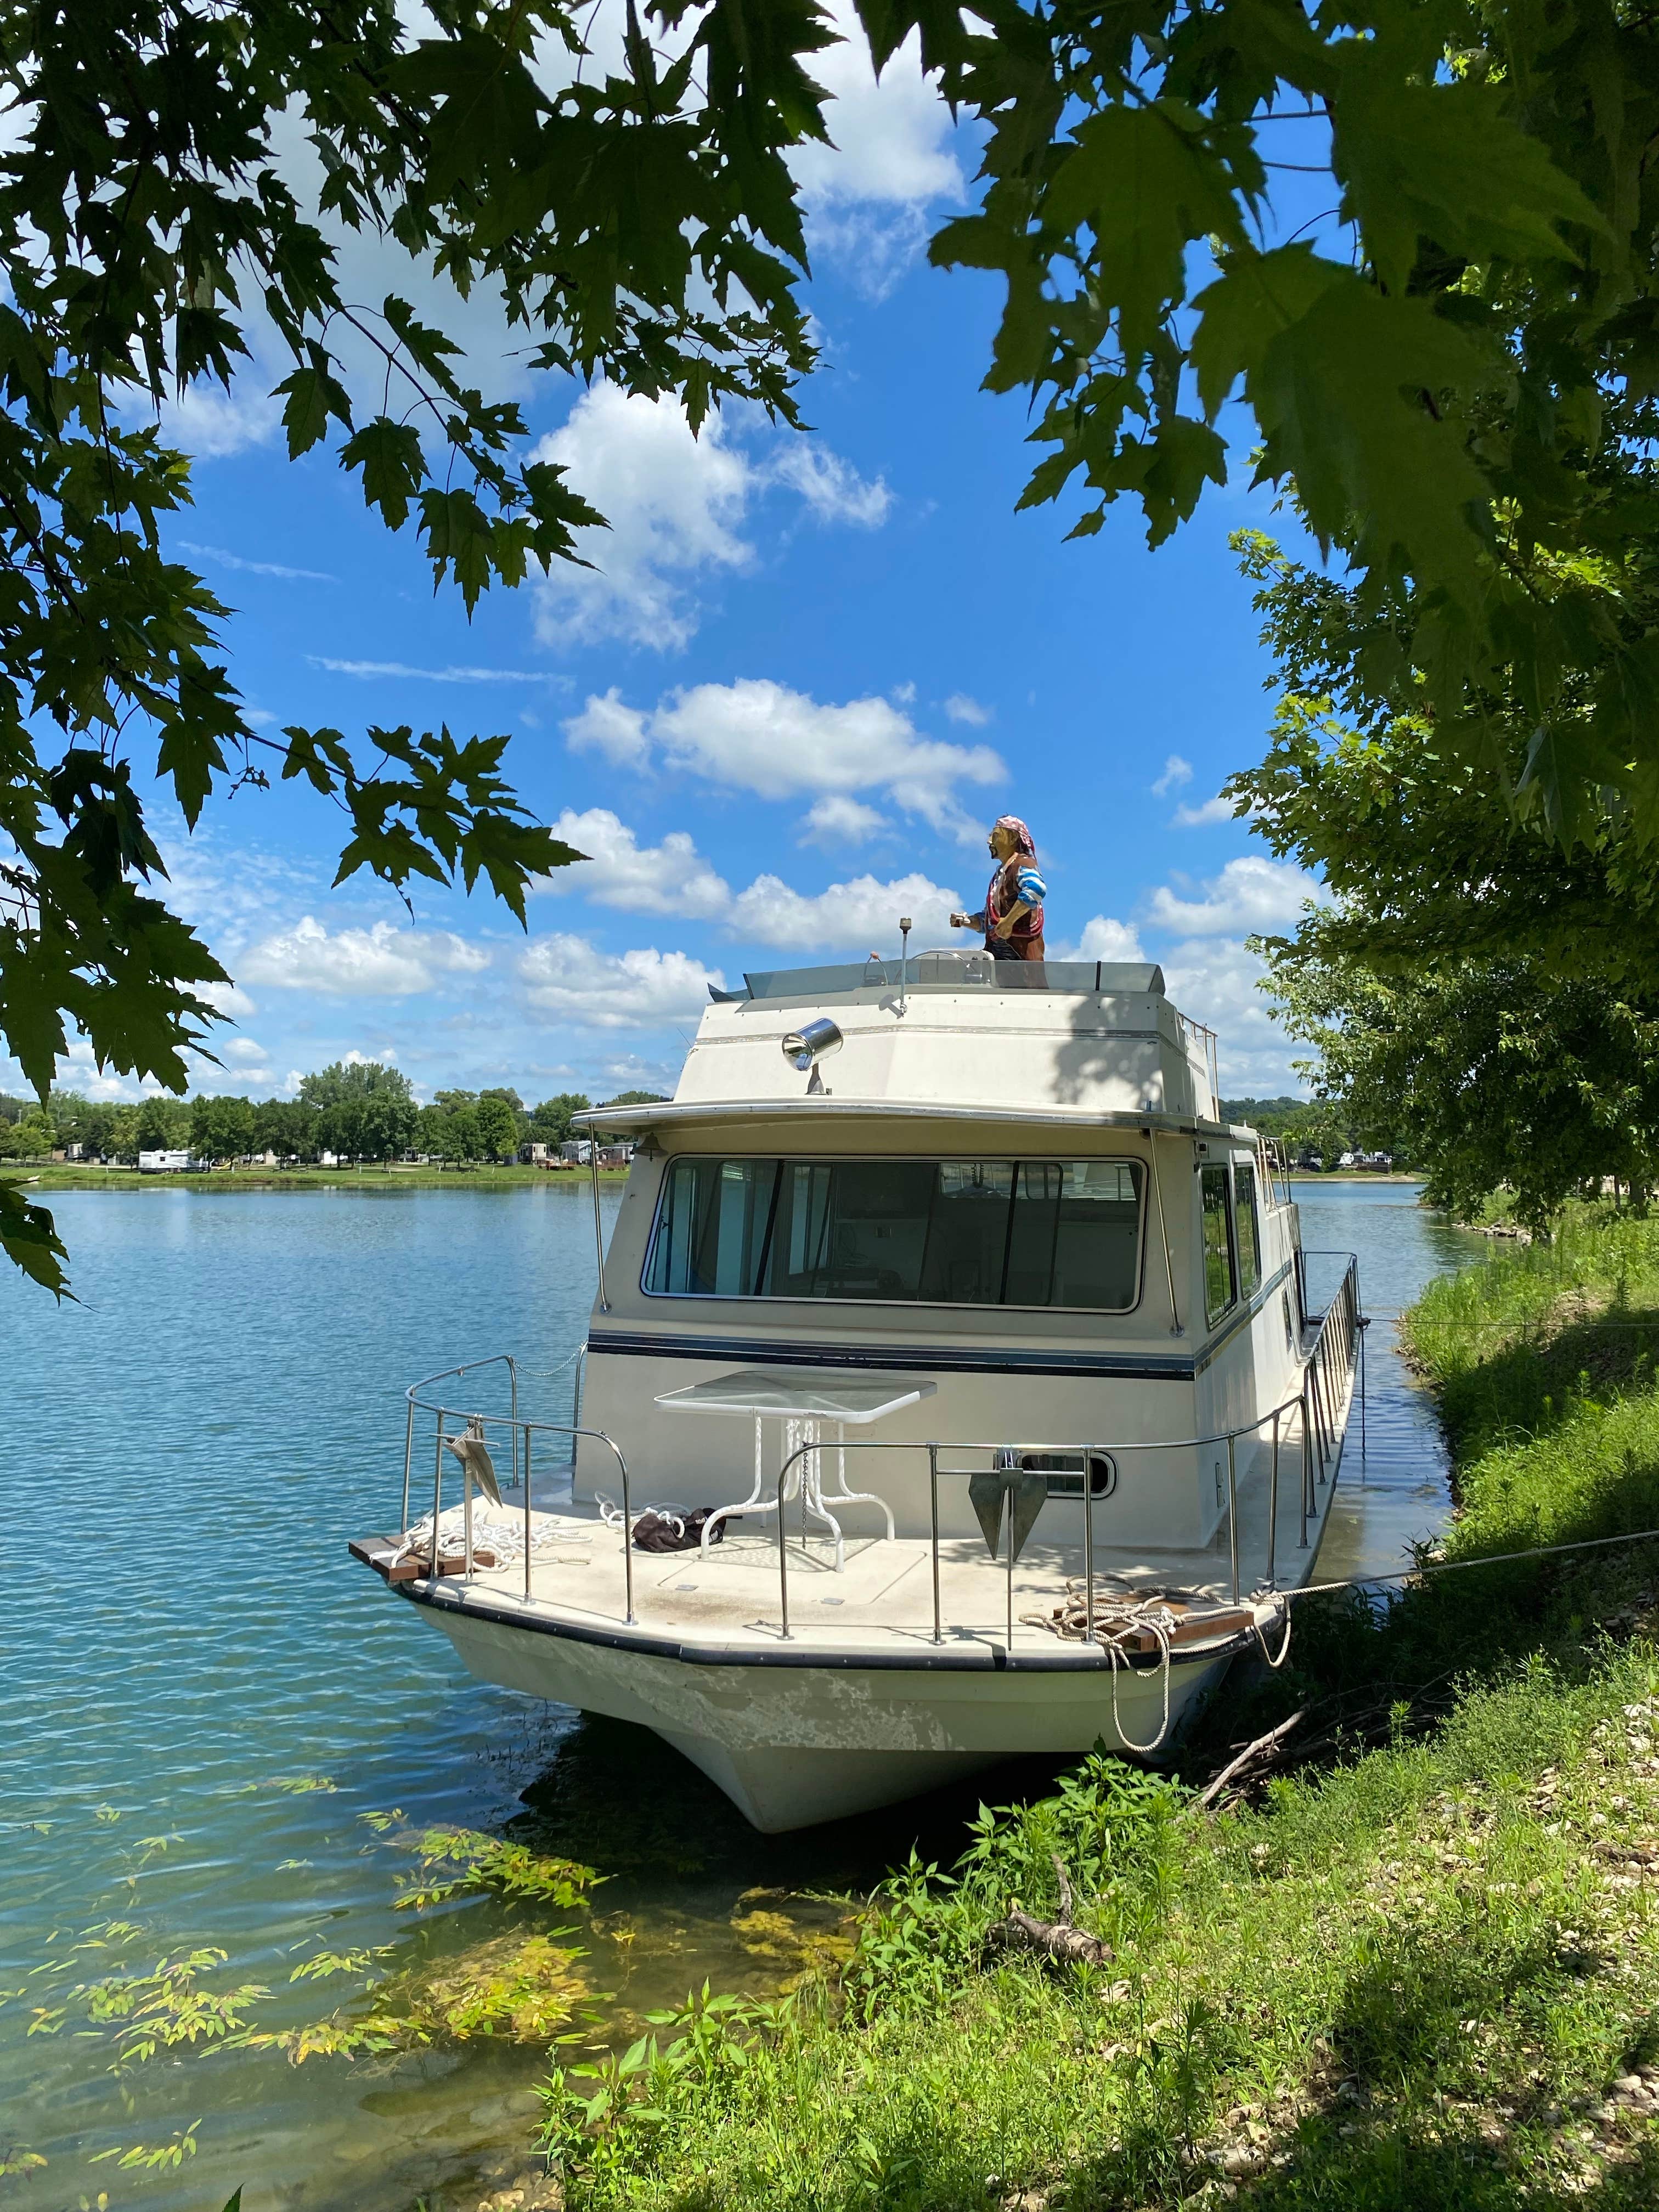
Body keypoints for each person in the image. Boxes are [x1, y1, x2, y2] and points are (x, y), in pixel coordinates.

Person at [950, 815, 1046, 961]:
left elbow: (1036, 889)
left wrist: (1008, 922)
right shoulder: (1000, 875)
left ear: (1013, 838)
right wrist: (967, 921)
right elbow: (988, 922)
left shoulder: (1023, 864)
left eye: (995, 836)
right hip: (997, 954)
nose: (989, 842)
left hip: (1020, 954)